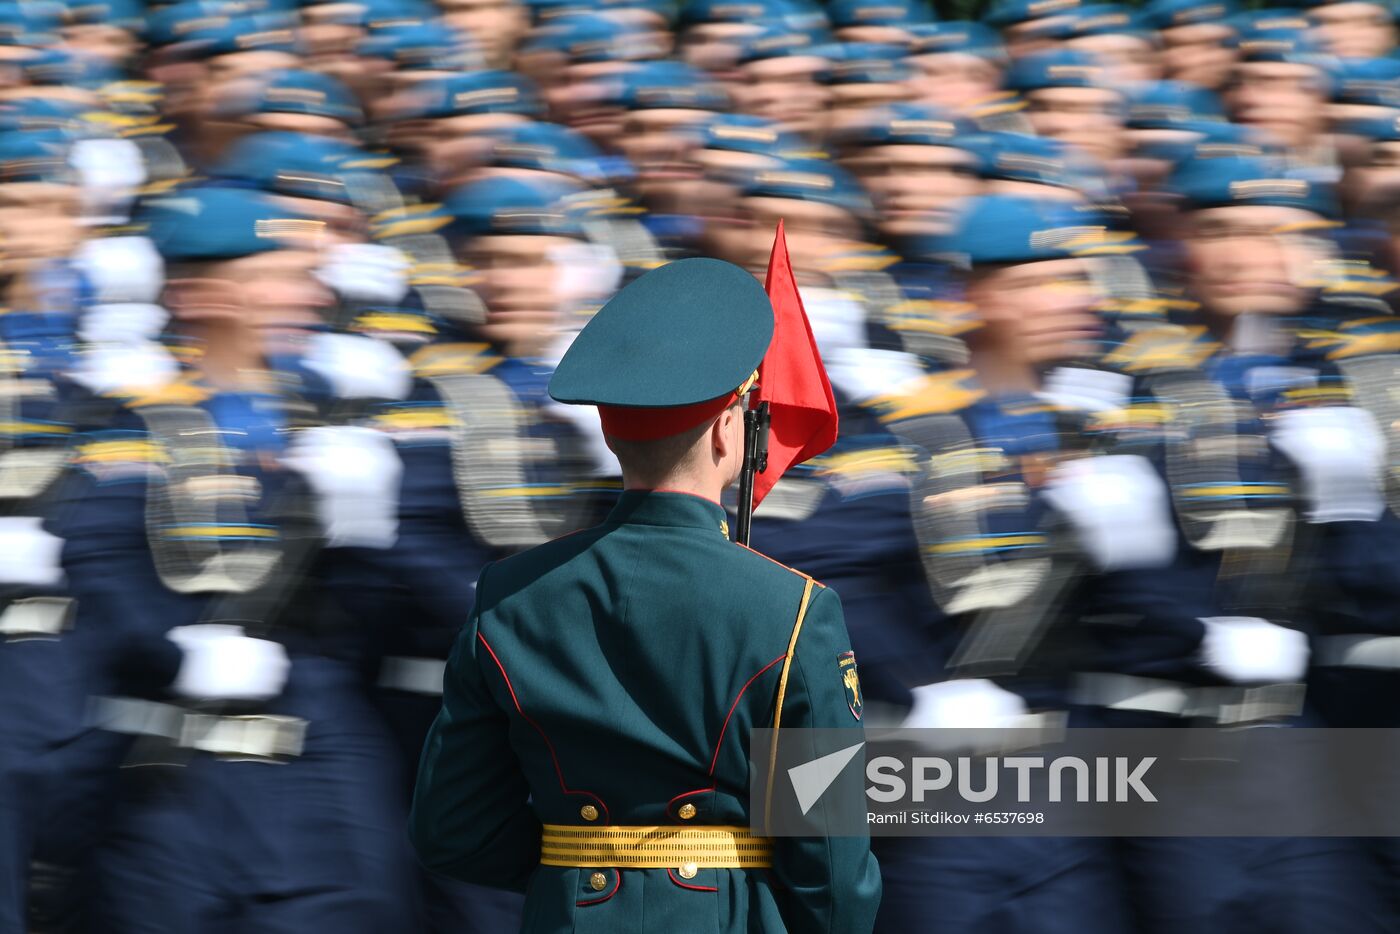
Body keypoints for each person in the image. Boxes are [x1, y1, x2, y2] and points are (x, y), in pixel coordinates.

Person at [409, 256, 881, 933]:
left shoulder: (507, 595)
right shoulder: (795, 609)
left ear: (607, 429)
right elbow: (831, 861)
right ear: (729, 428)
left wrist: (581, 869)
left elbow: (450, 830)